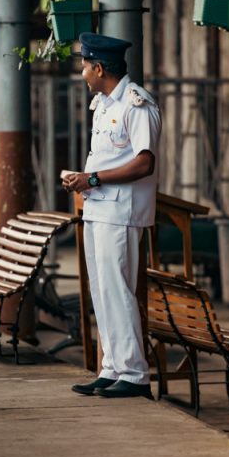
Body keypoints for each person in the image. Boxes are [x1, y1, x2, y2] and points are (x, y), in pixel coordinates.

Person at [62, 33, 162, 399]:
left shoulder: (137, 105)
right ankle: (113, 367)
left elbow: (144, 162)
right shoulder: (103, 104)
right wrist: (85, 180)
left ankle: (135, 373)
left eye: (85, 66)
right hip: (97, 206)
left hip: (121, 210)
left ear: (99, 68)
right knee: (102, 290)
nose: (83, 72)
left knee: (118, 290)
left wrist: (92, 178)